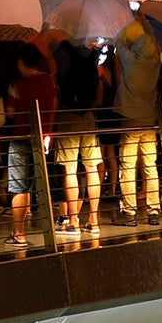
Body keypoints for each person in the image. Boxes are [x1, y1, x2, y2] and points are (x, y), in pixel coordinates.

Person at [112, 18, 162, 226]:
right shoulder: (156, 61)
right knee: (150, 165)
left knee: (128, 165)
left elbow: (117, 41)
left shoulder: (130, 59)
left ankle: (130, 212)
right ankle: (154, 210)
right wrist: (144, 21)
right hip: (150, 119)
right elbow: (153, 40)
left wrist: (128, 22)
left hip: (130, 119)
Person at [3, 44, 55, 247]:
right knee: (40, 183)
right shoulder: (48, 80)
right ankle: (48, 233)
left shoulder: (16, 85)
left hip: (20, 137)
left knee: (19, 187)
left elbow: (9, 112)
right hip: (43, 138)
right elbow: (53, 104)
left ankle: (19, 234)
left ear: (21, 62)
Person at [51, 38, 102, 237]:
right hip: (89, 116)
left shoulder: (62, 51)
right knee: (92, 169)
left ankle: (73, 221)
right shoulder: (93, 55)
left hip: (68, 116)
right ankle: (94, 220)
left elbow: (59, 84)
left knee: (70, 169)